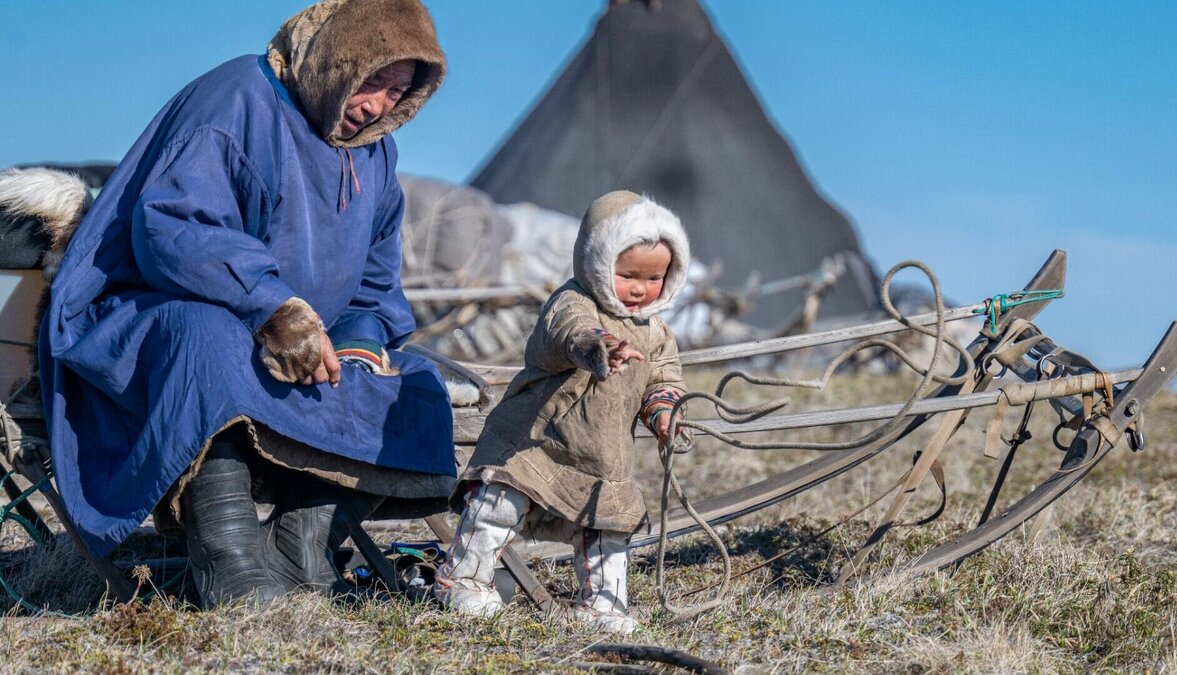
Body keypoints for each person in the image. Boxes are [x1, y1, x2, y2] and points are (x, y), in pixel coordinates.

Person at [39, 0, 455, 607]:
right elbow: (174, 231)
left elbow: (374, 284)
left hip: (290, 336)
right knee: (209, 341)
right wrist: (274, 307)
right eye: (371, 83)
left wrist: (362, 345)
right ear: (337, 64)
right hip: (144, 318)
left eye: (397, 92)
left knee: (413, 382)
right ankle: (231, 563)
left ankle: (301, 550)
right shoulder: (236, 100)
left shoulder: (375, 151)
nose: (378, 107)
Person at [434, 190, 691, 634]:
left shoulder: (657, 333)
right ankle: (464, 578)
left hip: (602, 456)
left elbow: (664, 380)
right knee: (499, 503)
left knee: (608, 529)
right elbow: (564, 333)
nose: (639, 288)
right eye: (628, 273)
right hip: (538, 439)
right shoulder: (574, 301)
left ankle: (604, 605)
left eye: (654, 278)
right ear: (596, 261)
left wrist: (664, 412)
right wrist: (598, 346)